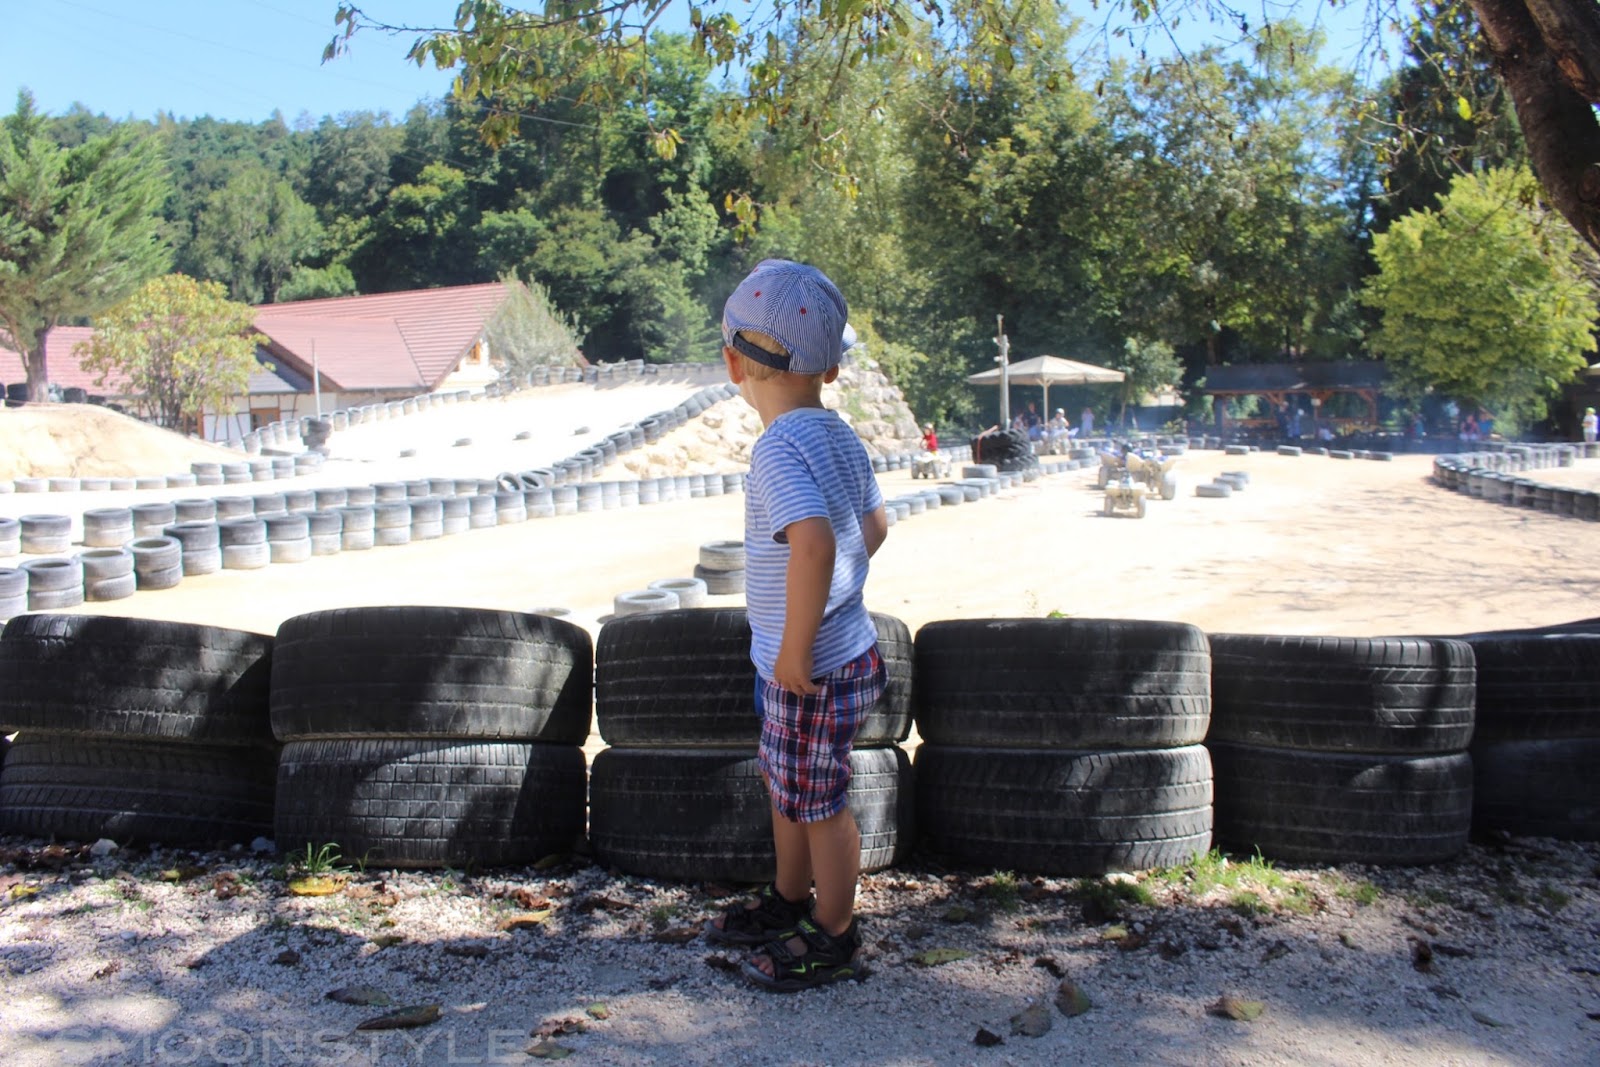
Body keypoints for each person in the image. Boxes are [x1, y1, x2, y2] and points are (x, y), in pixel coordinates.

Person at [705, 259, 889, 993]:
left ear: (733, 362)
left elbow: (814, 542)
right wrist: (836, 597)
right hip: (834, 653)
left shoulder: (778, 448)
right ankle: (789, 899)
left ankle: (835, 931)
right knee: (789, 786)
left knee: (819, 802)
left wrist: (794, 642)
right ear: (832, 368)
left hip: (806, 666)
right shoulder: (838, 435)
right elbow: (872, 527)